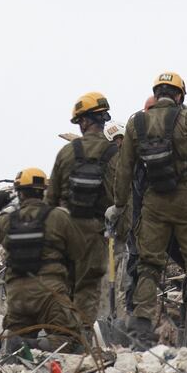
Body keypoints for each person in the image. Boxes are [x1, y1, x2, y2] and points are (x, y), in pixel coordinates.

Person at [111, 72, 187, 347]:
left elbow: (124, 170)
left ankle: (142, 326)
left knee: (148, 265)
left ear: (156, 94)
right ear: (179, 95)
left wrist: (119, 206)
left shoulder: (136, 123)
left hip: (153, 202)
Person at [0, 168, 85, 350]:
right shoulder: (58, 217)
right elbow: (80, 252)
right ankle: (31, 345)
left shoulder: (7, 221)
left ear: (19, 193)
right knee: (71, 339)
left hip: (17, 297)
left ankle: (3, 344)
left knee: (15, 342)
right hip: (50, 291)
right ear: (43, 191)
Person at [47, 92, 118, 331]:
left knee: (63, 285)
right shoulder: (113, 154)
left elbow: (51, 198)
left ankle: (59, 336)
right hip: (95, 232)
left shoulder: (66, 153)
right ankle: (81, 340)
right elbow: (119, 197)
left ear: (85, 121)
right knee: (87, 289)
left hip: (65, 230)